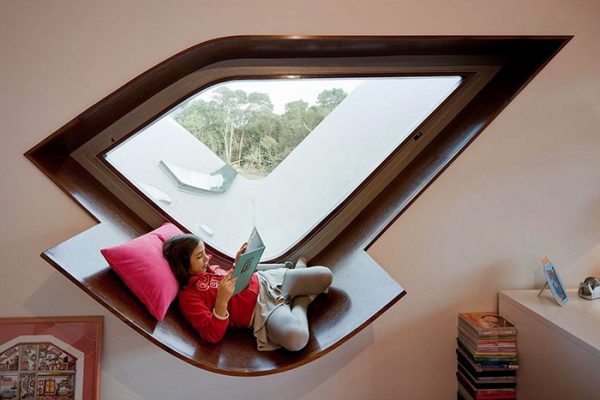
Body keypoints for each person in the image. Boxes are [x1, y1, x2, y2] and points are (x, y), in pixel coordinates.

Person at [162, 234, 332, 351]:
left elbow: (234, 279)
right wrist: (221, 301)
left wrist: (238, 264)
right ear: (184, 266)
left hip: (266, 282)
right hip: (261, 312)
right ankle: (301, 301)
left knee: (325, 276)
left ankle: (292, 294)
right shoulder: (188, 298)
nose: (207, 258)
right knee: (297, 340)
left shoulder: (209, 268)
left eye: (204, 252)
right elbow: (211, 334)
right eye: (200, 257)